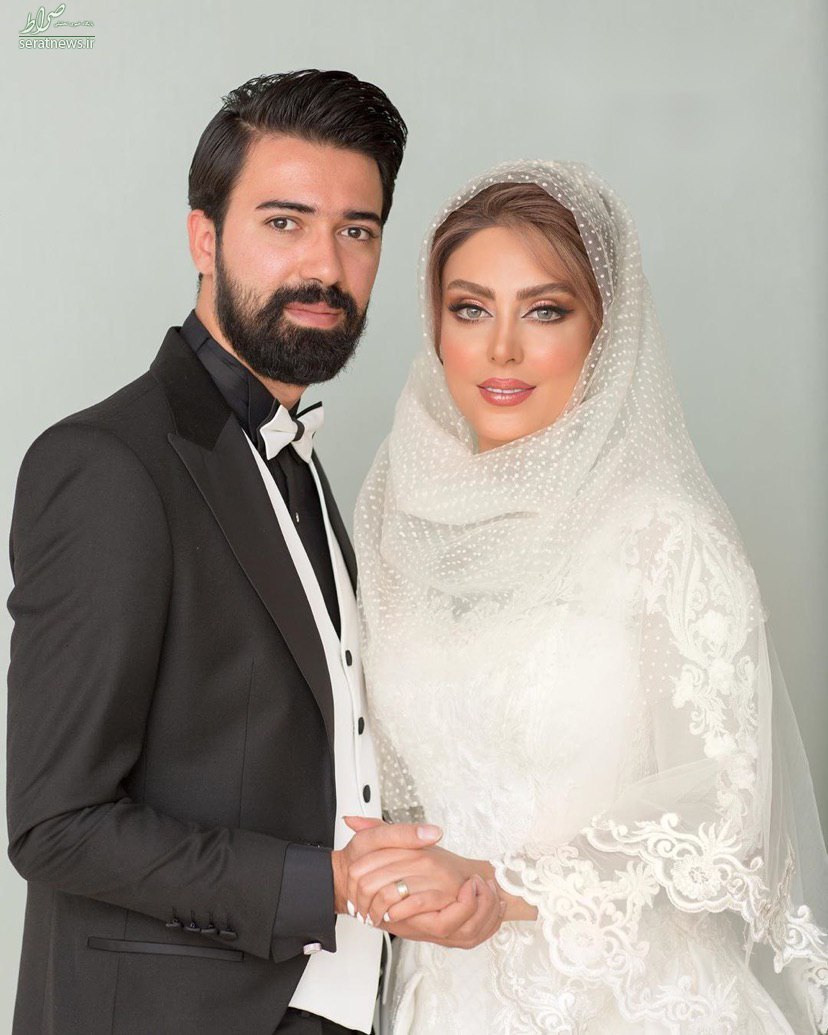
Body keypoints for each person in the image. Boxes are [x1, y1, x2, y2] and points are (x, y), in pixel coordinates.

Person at [5, 70, 501, 1035]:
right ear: (204, 237)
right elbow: (55, 822)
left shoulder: (303, 467)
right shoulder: (108, 464)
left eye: (357, 230)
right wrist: (327, 885)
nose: (326, 264)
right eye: (284, 222)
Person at [352, 161, 828, 1033]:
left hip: (621, 998)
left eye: (544, 310)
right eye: (470, 309)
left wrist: (503, 888)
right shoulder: (395, 524)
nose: (501, 348)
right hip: (441, 997)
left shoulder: (662, 537)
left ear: (604, 333)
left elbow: (726, 809)